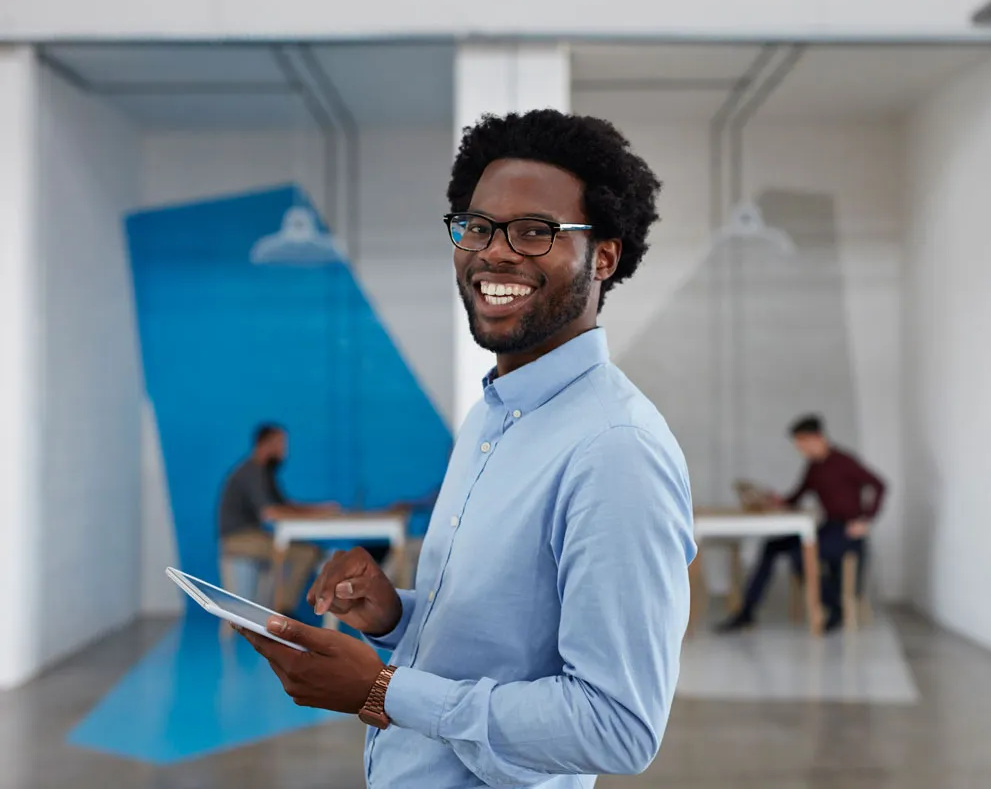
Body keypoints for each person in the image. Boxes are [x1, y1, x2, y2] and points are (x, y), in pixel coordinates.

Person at [236, 110, 695, 789]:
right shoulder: (490, 416)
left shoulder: (616, 451)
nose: (494, 253)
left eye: (535, 231)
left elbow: (618, 726)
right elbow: (499, 643)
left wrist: (386, 691)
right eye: (477, 227)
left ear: (603, 255)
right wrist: (395, 615)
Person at [718, 414, 886, 633]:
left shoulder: (843, 461)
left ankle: (837, 608)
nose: (799, 448)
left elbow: (879, 485)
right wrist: (776, 501)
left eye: (802, 442)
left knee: (801, 557)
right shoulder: (814, 467)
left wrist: (865, 519)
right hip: (827, 528)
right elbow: (796, 496)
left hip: (847, 532)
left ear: (818, 437)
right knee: (772, 547)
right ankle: (746, 613)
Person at [217, 423, 339, 612]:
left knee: (306, 551)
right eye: (280, 444)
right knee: (306, 553)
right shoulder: (253, 472)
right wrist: (316, 514)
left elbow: (286, 506)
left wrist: (318, 510)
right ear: (265, 444)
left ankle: (281, 608)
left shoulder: (264, 473)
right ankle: (283, 611)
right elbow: (271, 512)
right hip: (239, 539)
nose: (284, 451)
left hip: (250, 535)